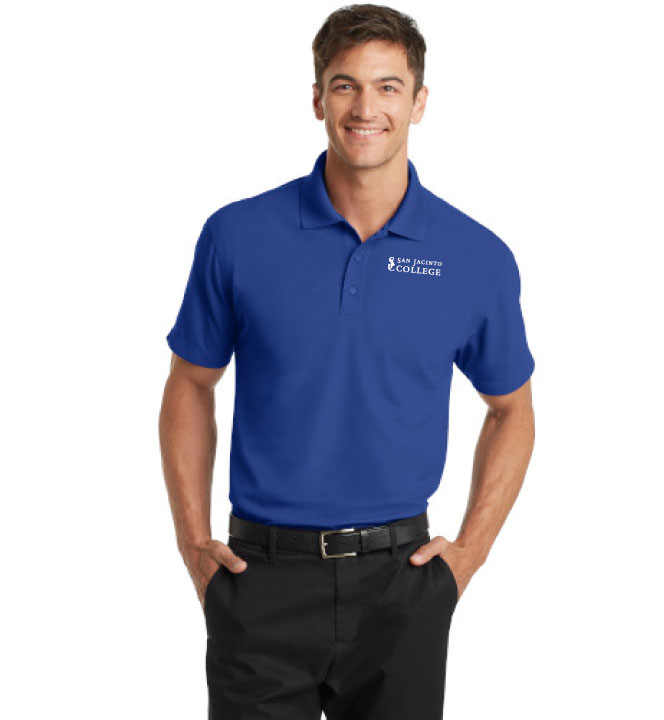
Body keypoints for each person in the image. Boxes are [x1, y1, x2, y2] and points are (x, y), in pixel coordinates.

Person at [159, 4, 535, 719]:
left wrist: (470, 553)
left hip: (403, 582)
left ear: (419, 102)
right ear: (317, 99)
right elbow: (190, 383)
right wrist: (191, 540)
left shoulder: (476, 256)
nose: (366, 108)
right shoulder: (237, 235)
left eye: (388, 87)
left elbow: (512, 408)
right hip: (260, 580)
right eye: (345, 85)